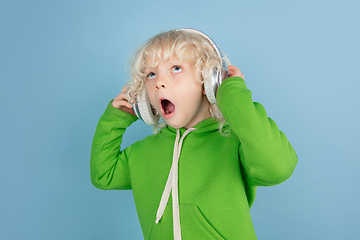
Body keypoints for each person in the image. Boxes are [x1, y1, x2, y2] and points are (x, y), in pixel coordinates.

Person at [90, 29, 297, 240]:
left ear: (209, 81)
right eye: (151, 74)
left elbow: (278, 168)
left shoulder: (234, 142)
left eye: (176, 68)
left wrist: (233, 96)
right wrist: (116, 118)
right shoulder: (143, 152)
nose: (159, 82)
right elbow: (103, 175)